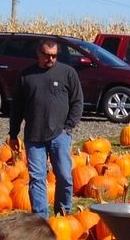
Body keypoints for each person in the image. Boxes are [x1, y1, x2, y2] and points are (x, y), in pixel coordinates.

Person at [9, 38, 83, 219]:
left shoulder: (68, 73)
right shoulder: (27, 75)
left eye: (54, 56)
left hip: (60, 135)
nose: (51, 59)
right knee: (37, 178)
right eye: (47, 56)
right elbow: (17, 107)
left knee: (65, 176)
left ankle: (63, 213)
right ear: (38, 54)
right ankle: (40, 219)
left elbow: (77, 102)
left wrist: (68, 127)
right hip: (34, 137)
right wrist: (13, 133)